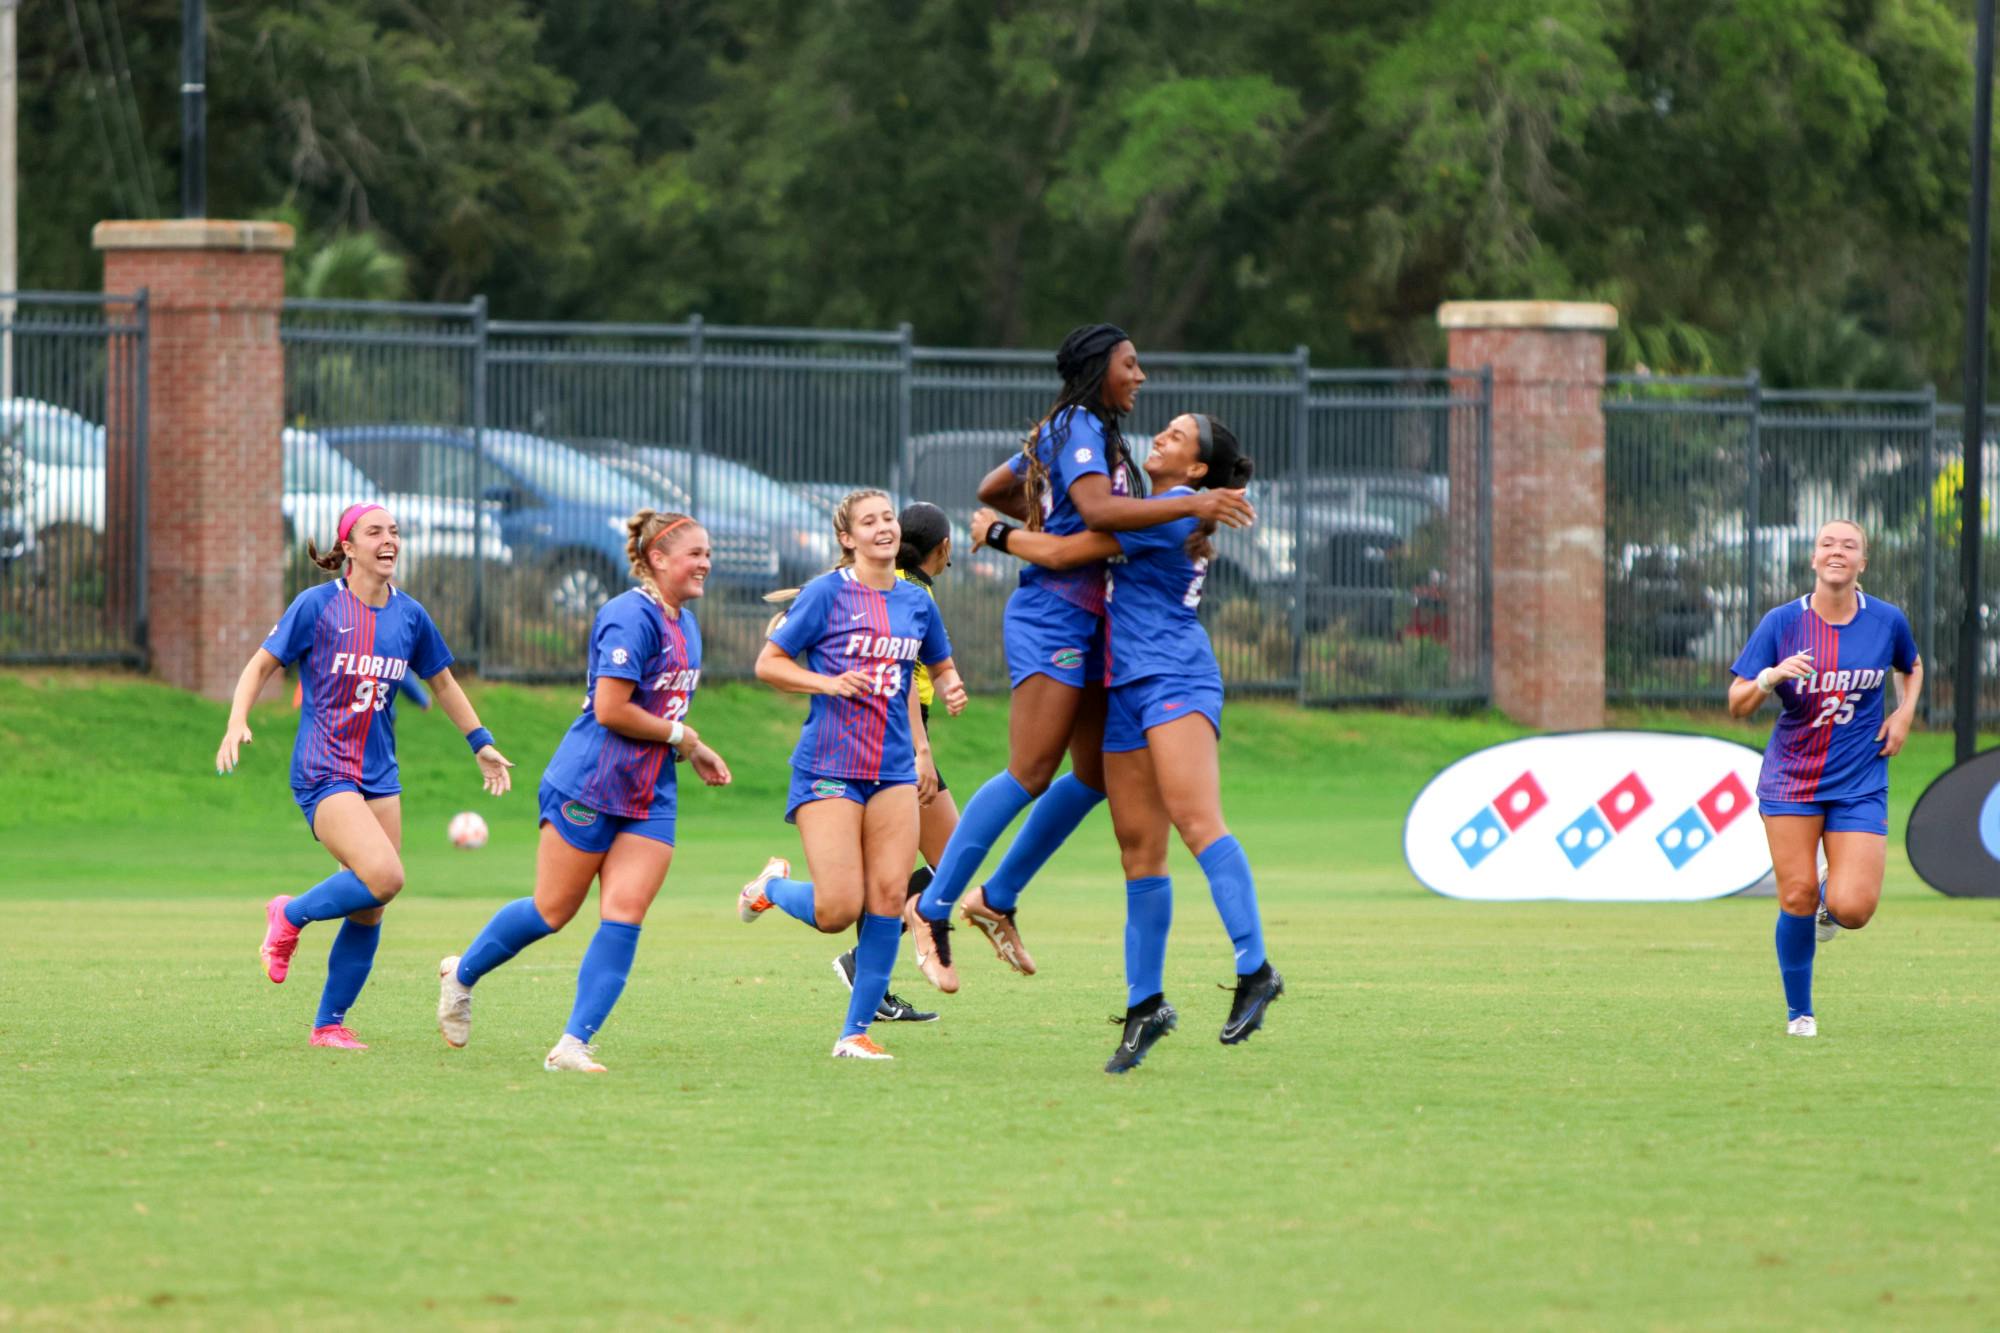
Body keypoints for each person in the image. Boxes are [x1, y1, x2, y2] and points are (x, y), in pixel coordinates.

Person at [903, 324, 1254, 992]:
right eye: (1130, 363)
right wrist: (1040, 529)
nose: (1141, 374)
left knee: (1093, 773)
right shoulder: (1078, 424)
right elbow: (1092, 509)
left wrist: (1038, 515)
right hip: (1055, 614)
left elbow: (999, 487)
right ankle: (935, 903)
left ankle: (998, 895)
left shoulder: (1093, 433)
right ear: (1100, 369)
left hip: (1096, 622)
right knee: (1031, 769)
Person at [973, 411, 1283, 1073]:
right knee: (1140, 853)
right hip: (1124, 685)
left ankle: (1256, 967)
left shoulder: (1171, 506)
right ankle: (1146, 1006)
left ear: (1197, 469)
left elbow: (1061, 551)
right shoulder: (1157, 502)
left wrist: (995, 532)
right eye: (1165, 428)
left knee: (1198, 821)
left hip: (1174, 675)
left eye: (1179, 435)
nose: (1163, 436)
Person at [436, 510, 731, 1072]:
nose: (706, 564)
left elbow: (661, 712)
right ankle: (461, 974)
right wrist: (685, 735)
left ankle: (571, 1045)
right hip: (589, 784)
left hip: (650, 794)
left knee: (625, 913)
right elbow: (611, 709)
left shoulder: (686, 624)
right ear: (657, 560)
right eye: (695, 554)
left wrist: (690, 748)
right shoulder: (627, 615)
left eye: (708, 553)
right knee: (551, 912)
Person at [215, 502, 512, 1050]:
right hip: (323, 770)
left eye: (395, 531)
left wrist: (481, 742)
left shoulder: (410, 615)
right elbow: (261, 665)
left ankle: (328, 1025)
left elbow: (442, 684)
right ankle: (290, 914)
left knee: (372, 905)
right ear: (348, 548)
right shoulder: (318, 606)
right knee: (387, 876)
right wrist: (238, 720)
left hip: (380, 774)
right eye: (375, 531)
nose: (389, 539)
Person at [739, 489, 966, 1059]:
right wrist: (828, 683)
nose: (884, 527)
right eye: (869, 521)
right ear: (848, 538)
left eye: (888, 518)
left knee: (887, 899)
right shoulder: (826, 594)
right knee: (839, 910)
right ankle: (768, 887)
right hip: (830, 767)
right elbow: (769, 664)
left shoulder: (916, 602)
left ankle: (854, 1034)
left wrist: (945, 695)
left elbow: (927, 666)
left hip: (891, 770)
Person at [1726, 519, 1922, 1039]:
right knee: (1795, 896)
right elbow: (1736, 703)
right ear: (1813, 560)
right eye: (1827, 544)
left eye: (1849, 545)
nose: (1837, 551)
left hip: (1860, 778)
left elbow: (1912, 665)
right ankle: (1800, 1015)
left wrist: (1904, 714)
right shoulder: (1781, 623)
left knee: (1852, 909)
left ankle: (1828, 903)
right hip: (1792, 777)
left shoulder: (1886, 621)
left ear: (1863, 563)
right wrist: (1770, 677)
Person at [828, 501, 963, 1024]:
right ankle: (865, 963)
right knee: (948, 863)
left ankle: (866, 971)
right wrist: (920, 750)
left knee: (894, 872)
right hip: (896, 742)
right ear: (943, 550)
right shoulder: (911, 593)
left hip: (887, 738)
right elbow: (902, 674)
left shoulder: (881, 581)